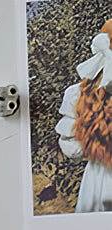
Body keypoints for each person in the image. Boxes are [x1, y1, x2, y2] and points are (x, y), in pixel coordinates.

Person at [55, 21, 112, 214]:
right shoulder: (80, 94)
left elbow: (70, 145)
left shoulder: (81, 93)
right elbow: (70, 144)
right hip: (101, 178)